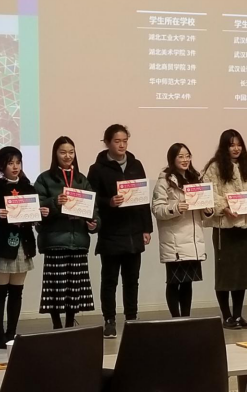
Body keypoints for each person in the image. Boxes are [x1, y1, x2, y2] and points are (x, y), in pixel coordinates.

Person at [87, 125, 153, 339]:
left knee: (132, 279)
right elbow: (91, 198)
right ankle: (109, 320)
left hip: (134, 231)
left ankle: (132, 318)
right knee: (109, 280)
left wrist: (147, 228)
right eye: (117, 141)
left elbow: (143, 199)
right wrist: (109, 202)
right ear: (107, 142)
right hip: (111, 232)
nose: (122, 145)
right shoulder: (97, 169)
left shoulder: (136, 165)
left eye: (125, 140)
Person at [0, 147, 49, 349]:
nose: (15, 167)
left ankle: (11, 333)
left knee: (16, 291)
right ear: (1, 166)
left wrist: (41, 214)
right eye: (10, 163)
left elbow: (33, 218)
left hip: (23, 243)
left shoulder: (28, 188)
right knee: (0, 290)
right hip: (1, 244)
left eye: (18, 163)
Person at [35, 137, 100, 329]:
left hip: (78, 241)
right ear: (55, 154)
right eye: (63, 152)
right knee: (55, 289)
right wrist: (55, 202)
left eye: (71, 152)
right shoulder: (45, 178)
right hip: (55, 240)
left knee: (74, 289)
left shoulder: (81, 179)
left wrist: (94, 224)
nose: (67, 156)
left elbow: (94, 209)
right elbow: (36, 206)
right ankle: (56, 326)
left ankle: (70, 325)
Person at [202, 129, 247, 330]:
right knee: (225, 274)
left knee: (242, 273)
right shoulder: (214, 167)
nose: (236, 148)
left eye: (239, 144)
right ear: (224, 147)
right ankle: (226, 315)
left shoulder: (246, 165)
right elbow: (209, 193)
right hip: (224, 228)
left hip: (244, 225)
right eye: (231, 145)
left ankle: (238, 315)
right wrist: (224, 207)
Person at [152, 143, 213, 318]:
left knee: (188, 283)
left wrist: (208, 210)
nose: (185, 160)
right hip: (174, 241)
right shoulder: (164, 181)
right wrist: (176, 207)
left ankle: (186, 318)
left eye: (187, 156)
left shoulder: (196, 179)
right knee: (174, 282)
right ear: (172, 159)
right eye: (180, 156)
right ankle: (175, 319)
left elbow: (204, 213)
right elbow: (157, 209)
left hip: (193, 240)